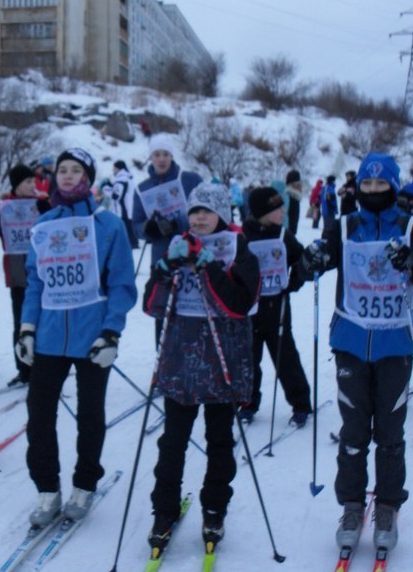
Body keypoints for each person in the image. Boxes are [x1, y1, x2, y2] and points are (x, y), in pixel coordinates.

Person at [297, 152, 413, 555]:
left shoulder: (411, 226)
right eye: (367, 184)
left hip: (395, 343)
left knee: (390, 434)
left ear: (393, 186)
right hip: (351, 342)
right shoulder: (344, 225)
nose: (373, 190)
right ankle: (352, 506)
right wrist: (310, 261)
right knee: (353, 433)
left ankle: (388, 506)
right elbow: (311, 266)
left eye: (381, 184)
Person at [16, 147, 136, 526]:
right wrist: (27, 328)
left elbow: (122, 283)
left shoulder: (108, 224)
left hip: (92, 337)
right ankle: (47, 488)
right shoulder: (45, 224)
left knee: (90, 414)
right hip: (49, 336)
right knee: (39, 414)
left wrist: (111, 332)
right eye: (62, 170)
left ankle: (84, 484)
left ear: (88, 177)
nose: (67, 175)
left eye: (76, 170)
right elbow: (35, 282)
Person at [142, 182, 259, 551]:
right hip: (181, 361)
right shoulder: (179, 244)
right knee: (172, 442)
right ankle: (164, 511)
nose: (200, 218)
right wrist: (165, 268)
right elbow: (151, 305)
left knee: (219, 441)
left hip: (223, 362)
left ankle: (214, 509)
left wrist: (208, 267)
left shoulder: (238, 247)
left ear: (222, 213)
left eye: (207, 211)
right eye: (194, 211)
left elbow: (239, 304)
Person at [240, 186, 312, 426]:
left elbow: (301, 261)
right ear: (262, 212)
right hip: (249, 310)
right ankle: (247, 402)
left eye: (283, 207)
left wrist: (293, 282)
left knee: (285, 358)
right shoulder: (243, 235)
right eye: (277, 209)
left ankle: (301, 403)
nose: (283, 212)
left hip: (277, 309)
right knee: (249, 359)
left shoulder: (284, 235)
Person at [131, 133, 203, 344]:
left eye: (165, 154)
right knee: (162, 314)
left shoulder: (190, 179)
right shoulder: (142, 188)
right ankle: (162, 357)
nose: (161, 159)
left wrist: (177, 224)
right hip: (161, 258)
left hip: (193, 255)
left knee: (193, 311)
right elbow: (136, 226)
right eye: (156, 154)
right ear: (151, 158)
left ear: (172, 156)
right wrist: (149, 228)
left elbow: (206, 212)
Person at [0, 164, 49, 387]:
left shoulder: (41, 202)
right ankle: (23, 368)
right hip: (17, 271)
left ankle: (43, 368)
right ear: (16, 185)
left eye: (33, 181)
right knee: (20, 321)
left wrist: (46, 207)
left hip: (43, 270)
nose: (33, 185)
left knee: (42, 320)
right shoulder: (4, 206)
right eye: (27, 182)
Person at [111, 160, 138, 249]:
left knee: (125, 226)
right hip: (129, 206)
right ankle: (133, 243)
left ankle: (130, 244)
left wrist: (107, 190)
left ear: (118, 168)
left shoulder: (121, 179)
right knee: (129, 225)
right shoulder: (128, 178)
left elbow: (116, 196)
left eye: (114, 168)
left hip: (122, 207)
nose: (113, 170)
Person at [285, 169, 304, 235]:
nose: (300, 185)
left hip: (289, 234)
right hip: (286, 234)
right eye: (298, 183)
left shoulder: (295, 197)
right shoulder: (288, 197)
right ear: (292, 183)